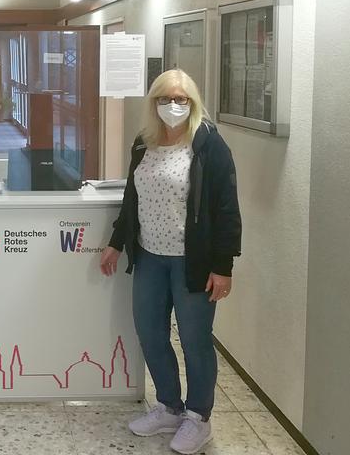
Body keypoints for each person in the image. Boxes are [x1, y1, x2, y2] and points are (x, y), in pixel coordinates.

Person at [100, 69, 241, 455]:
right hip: (149, 256)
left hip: (192, 262)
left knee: (195, 341)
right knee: (150, 333)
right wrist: (115, 243)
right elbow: (132, 199)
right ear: (153, 103)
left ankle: (199, 417)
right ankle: (169, 406)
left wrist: (223, 267)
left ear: (193, 103)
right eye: (165, 99)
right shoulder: (143, 143)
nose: (173, 106)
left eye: (181, 99)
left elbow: (227, 209)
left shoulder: (208, 144)